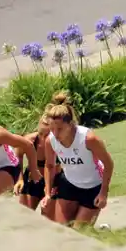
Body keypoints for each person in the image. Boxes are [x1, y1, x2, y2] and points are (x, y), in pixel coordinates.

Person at [40, 92, 114, 227]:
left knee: (79, 234)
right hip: (69, 184)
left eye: (60, 129)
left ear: (71, 124)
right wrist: (47, 193)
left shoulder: (88, 139)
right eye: (52, 129)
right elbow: (49, 166)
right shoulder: (50, 141)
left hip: (93, 187)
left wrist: (103, 193)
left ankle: (101, 231)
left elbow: (108, 164)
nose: (55, 134)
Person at [14, 115, 59, 219]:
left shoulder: (58, 142)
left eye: (47, 134)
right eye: (41, 134)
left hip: (53, 180)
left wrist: (49, 188)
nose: (43, 138)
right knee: (24, 216)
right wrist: (20, 179)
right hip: (33, 179)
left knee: (47, 218)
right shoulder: (29, 140)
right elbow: (18, 157)